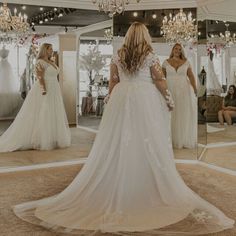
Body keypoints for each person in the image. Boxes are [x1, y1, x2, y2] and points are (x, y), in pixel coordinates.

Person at [13, 23, 234, 235]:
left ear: (128, 36)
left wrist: (110, 100)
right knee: (146, 139)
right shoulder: (149, 56)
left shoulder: (119, 56)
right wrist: (169, 100)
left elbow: (113, 82)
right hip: (144, 99)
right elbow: (159, 80)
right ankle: (142, 183)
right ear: (144, 36)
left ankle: (120, 177)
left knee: (118, 140)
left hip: (121, 97)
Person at [0, 43, 71, 152]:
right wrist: (44, 90)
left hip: (54, 90)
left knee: (52, 112)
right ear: (44, 50)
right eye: (50, 49)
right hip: (45, 89)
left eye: (52, 49)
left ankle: (52, 137)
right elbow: (40, 77)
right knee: (43, 112)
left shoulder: (51, 62)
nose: (52, 51)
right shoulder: (39, 62)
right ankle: (40, 139)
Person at [162, 43, 198, 149]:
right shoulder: (165, 62)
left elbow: (191, 77)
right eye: (175, 48)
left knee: (182, 114)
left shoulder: (186, 62)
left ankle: (182, 139)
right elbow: (162, 78)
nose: (177, 50)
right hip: (170, 90)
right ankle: (170, 139)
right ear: (172, 50)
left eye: (179, 49)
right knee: (171, 113)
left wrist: (195, 89)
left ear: (182, 51)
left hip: (184, 91)